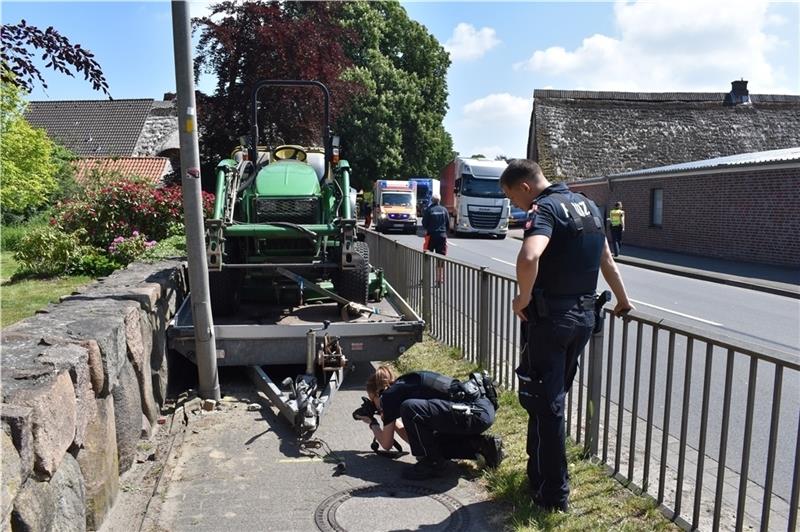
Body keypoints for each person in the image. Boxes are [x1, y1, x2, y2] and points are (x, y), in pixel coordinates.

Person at [499, 159, 633, 512]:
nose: (515, 205)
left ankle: (552, 495)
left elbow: (529, 256)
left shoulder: (544, 209)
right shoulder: (587, 206)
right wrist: (623, 300)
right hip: (584, 318)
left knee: (548, 406)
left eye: (512, 197)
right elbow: (607, 258)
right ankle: (537, 476)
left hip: (551, 320)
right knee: (549, 400)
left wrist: (522, 297)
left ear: (525, 187)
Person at [356, 365, 504, 480]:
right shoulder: (404, 384)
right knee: (430, 441)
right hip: (480, 410)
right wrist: (390, 420)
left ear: (378, 393)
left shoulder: (388, 397)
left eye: (373, 401)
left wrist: (373, 423)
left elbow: (386, 444)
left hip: (470, 413)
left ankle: (432, 463)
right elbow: (416, 438)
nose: (376, 406)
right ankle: (485, 446)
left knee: (409, 408)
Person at [422, 194, 448, 285]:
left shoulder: (429, 210)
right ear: (439, 200)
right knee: (440, 257)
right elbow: (447, 223)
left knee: (427, 256)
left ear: (432, 200)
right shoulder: (444, 210)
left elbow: (424, 223)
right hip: (442, 236)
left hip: (431, 236)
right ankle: (439, 279)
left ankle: (425, 277)